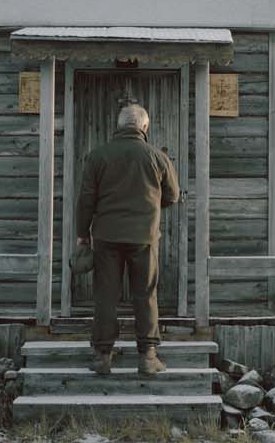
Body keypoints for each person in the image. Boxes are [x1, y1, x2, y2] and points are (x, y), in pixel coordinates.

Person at [76, 96, 181, 375]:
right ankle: (148, 356)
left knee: (105, 295)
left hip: (106, 236)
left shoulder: (98, 156)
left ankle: (102, 357)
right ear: (144, 126)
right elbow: (172, 196)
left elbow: (86, 200)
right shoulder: (158, 157)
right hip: (144, 238)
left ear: (119, 126)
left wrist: (82, 235)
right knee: (145, 294)